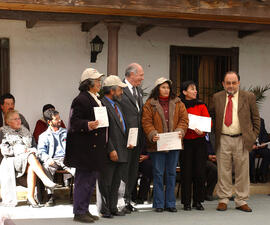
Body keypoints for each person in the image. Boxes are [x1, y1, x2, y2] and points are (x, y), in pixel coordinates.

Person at [211, 71, 260, 212]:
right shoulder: (217, 97)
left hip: (242, 139)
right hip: (223, 138)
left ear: (238, 82)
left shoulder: (248, 97)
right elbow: (212, 116)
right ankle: (223, 199)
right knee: (223, 171)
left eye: (233, 82)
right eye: (228, 83)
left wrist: (253, 135)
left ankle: (241, 200)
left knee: (242, 171)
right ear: (223, 84)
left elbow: (256, 118)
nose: (231, 85)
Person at [64, 68, 106, 223]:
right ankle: (79, 211)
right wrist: (88, 124)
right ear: (89, 83)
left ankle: (85, 209)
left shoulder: (94, 98)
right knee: (83, 180)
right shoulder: (81, 99)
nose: (100, 83)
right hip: (84, 148)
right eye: (97, 81)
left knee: (89, 181)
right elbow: (74, 122)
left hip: (93, 147)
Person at [142, 77, 189, 212]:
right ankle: (158, 203)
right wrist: (152, 134)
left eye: (168, 87)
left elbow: (184, 120)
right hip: (157, 144)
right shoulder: (150, 104)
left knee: (171, 173)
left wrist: (180, 131)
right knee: (157, 173)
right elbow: (146, 122)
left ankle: (170, 203)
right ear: (157, 89)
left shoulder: (178, 102)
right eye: (163, 87)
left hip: (174, 143)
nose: (166, 90)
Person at [0, 110, 57, 207]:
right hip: (12, 161)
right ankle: (45, 179)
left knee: (31, 164)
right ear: (8, 122)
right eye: (15, 119)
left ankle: (30, 197)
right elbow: (5, 151)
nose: (19, 121)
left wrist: (31, 150)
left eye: (19, 118)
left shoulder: (25, 130)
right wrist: (21, 150)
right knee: (30, 156)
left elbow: (35, 146)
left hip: (28, 160)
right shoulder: (3, 131)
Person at [98, 75, 131, 218]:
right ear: (112, 90)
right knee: (106, 181)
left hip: (122, 148)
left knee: (116, 181)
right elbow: (103, 130)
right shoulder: (102, 104)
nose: (122, 92)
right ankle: (104, 208)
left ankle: (112, 207)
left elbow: (122, 126)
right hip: (110, 150)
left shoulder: (117, 105)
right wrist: (110, 148)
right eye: (119, 90)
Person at [179, 80, 210, 211]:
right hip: (185, 142)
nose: (195, 91)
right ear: (184, 92)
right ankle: (186, 202)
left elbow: (208, 121)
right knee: (186, 172)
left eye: (195, 89)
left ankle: (198, 201)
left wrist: (203, 130)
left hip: (199, 142)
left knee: (199, 171)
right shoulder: (179, 105)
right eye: (192, 89)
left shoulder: (201, 105)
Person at [119, 63, 144, 213]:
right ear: (131, 74)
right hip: (124, 137)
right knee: (124, 170)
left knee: (133, 170)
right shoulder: (120, 89)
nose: (142, 78)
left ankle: (128, 200)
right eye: (140, 75)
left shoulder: (138, 90)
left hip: (137, 137)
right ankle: (120, 200)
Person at [37, 108, 73, 207]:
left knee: (77, 168)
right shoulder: (43, 136)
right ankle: (50, 196)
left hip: (66, 158)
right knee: (46, 167)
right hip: (53, 160)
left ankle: (79, 195)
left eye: (59, 118)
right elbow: (41, 151)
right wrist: (47, 159)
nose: (59, 120)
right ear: (49, 122)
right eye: (56, 119)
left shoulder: (66, 132)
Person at [249, 118, 270, 183]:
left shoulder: (261, 120)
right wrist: (250, 145)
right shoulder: (245, 121)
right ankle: (252, 176)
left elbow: (264, 133)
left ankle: (262, 174)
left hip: (260, 146)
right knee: (250, 153)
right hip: (250, 147)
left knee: (268, 152)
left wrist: (264, 142)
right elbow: (243, 136)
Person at [204, 133, 217, 201]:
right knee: (214, 169)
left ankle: (226, 194)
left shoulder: (212, 135)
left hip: (215, 158)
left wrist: (217, 156)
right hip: (203, 159)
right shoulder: (199, 134)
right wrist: (208, 156)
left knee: (226, 165)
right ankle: (208, 193)